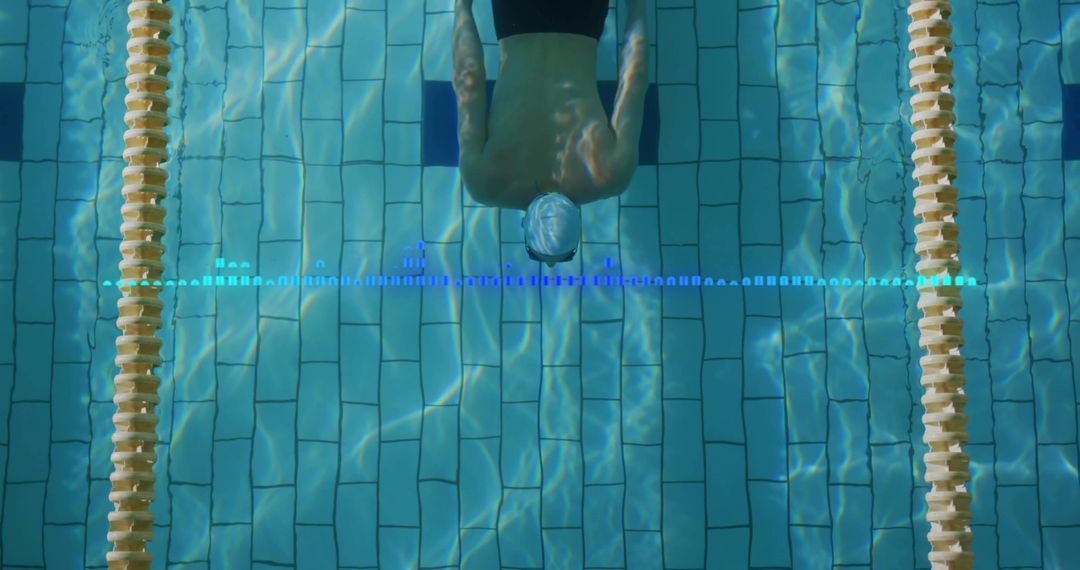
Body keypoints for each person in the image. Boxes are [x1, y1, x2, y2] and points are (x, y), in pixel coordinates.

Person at [452, 0, 649, 267]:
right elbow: (469, 79)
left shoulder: (611, 175)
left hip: (582, 18)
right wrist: (462, 8)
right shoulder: (484, 182)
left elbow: (634, 79)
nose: (551, 266)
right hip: (515, 18)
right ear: (525, 225)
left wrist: (636, 10)